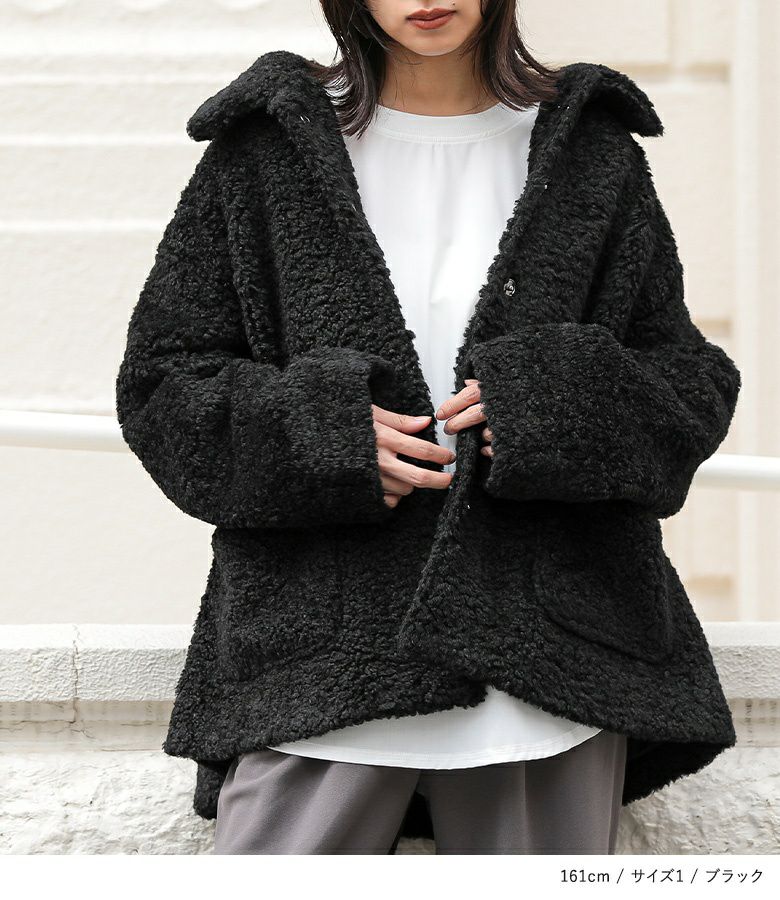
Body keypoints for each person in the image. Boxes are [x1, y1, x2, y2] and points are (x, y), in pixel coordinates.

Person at [115, 1, 742, 855]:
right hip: (323, 660)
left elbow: (689, 384)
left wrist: (553, 407)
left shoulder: (591, 151)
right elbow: (163, 386)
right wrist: (325, 440)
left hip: (546, 673)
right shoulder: (265, 150)